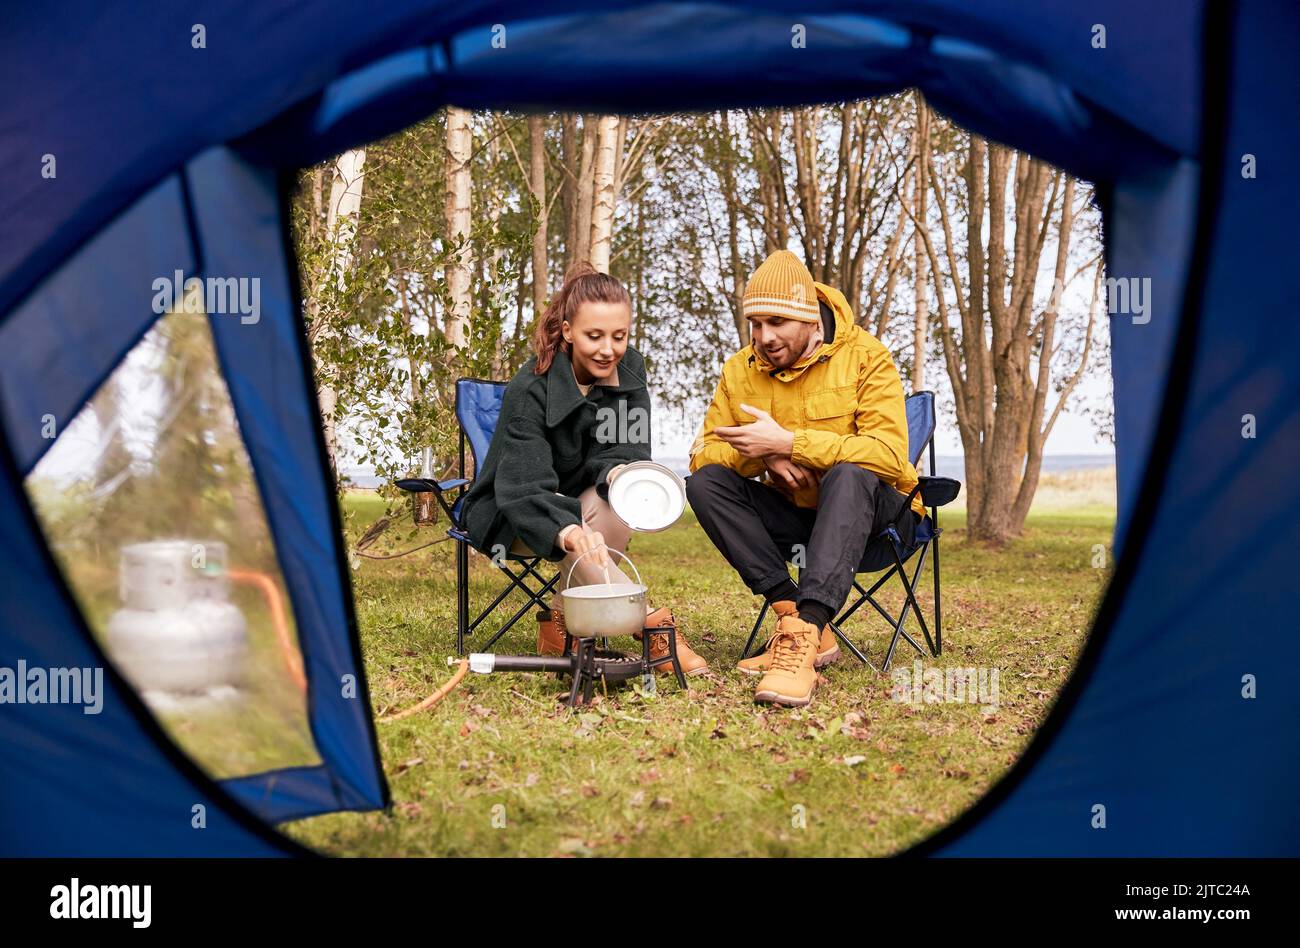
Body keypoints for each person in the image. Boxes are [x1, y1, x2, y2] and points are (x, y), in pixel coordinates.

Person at [686, 249, 925, 706]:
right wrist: (763, 458)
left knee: (852, 473)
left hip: (880, 524)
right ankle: (792, 617)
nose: (764, 336)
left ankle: (807, 631)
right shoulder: (740, 370)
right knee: (705, 483)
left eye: (777, 322)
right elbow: (703, 453)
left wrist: (790, 443)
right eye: (755, 324)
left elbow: (892, 456)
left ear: (811, 320)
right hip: (801, 520)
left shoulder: (866, 356)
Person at [459, 262, 708, 675]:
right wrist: (568, 528)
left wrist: (617, 473)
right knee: (577, 520)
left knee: (616, 503)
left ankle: (561, 618)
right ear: (569, 330)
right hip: (515, 511)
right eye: (594, 336)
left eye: (619, 336)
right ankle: (647, 625)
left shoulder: (629, 371)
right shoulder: (531, 388)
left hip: (582, 499)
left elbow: (629, 447)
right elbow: (522, 486)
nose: (608, 349)